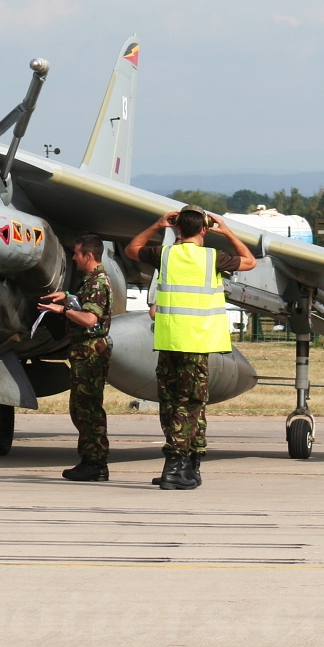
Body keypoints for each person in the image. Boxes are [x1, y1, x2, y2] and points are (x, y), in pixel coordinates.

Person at [125, 206, 255, 490]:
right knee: (191, 405)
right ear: (205, 229)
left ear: (177, 228)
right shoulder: (213, 258)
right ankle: (176, 465)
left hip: (169, 341)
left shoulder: (165, 255)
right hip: (197, 343)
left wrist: (158, 226)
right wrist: (228, 231)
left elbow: (132, 249)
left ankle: (189, 465)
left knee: (171, 404)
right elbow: (249, 261)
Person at [38, 235, 114, 482]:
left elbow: (90, 319)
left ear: (88, 256)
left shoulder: (96, 283)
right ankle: (91, 460)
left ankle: (95, 462)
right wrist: (68, 296)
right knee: (82, 407)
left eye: (77, 254)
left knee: (88, 409)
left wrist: (63, 310)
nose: (74, 258)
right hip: (85, 351)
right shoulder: (90, 282)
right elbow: (87, 306)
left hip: (90, 351)